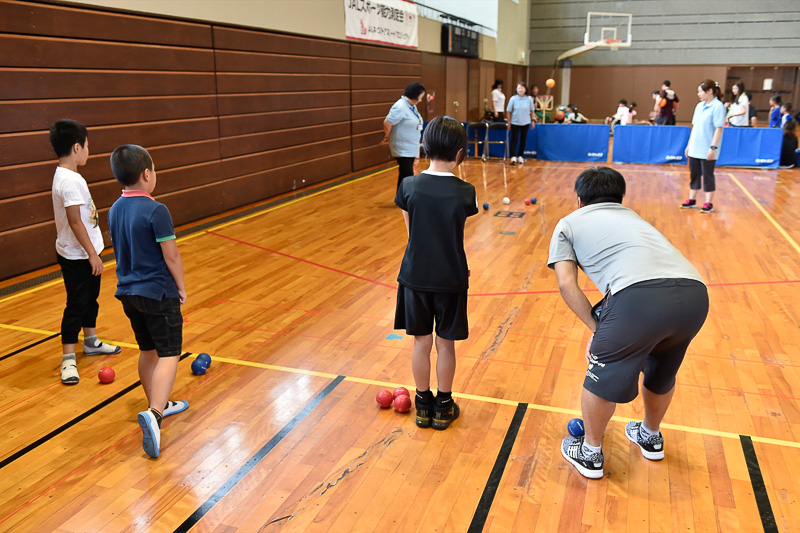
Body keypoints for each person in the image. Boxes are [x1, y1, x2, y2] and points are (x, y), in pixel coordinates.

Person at [549, 167, 708, 479]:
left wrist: (598, 331)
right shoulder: (634, 217)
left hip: (638, 299)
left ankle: (590, 453)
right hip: (695, 295)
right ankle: (650, 435)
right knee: (662, 368)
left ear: (579, 200)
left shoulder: (569, 222)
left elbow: (567, 284)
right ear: (619, 198)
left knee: (602, 375)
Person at [394, 116, 478, 431]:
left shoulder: (408, 185)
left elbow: (411, 233)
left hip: (415, 275)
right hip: (451, 277)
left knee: (420, 343)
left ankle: (422, 404)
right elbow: (454, 234)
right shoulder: (465, 191)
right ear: (460, 152)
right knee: (446, 344)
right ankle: (443, 406)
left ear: (424, 146)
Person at [108, 144, 189, 459]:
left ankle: (157, 403)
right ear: (147, 173)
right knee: (170, 353)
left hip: (128, 294)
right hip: (158, 292)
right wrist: (181, 286)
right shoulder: (158, 210)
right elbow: (171, 255)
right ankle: (155, 414)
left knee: (148, 350)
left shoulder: (115, 209)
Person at [49, 119, 121, 385]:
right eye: (88, 146)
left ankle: (90, 341)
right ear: (77, 147)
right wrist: (92, 253)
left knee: (91, 299)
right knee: (76, 304)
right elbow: (75, 221)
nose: (89, 151)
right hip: (77, 256)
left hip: (86, 253)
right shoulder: (68, 181)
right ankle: (68, 359)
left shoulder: (71, 176)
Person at [681, 79, 725, 214]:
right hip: (695, 147)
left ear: (710, 91)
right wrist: (689, 145)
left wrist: (713, 147)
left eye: (700, 91)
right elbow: (694, 127)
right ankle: (692, 199)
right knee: (694, 174)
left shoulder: (718, 107)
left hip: (707, 149)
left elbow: (719, 128)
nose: (698, 94)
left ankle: (708, 203)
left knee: (707, 175)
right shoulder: (699, 106)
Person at [383, 82, 426, 192]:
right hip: (402, 146)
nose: (421, 99)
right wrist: (389, 137)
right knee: (407, 173)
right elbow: (387, 123)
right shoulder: (400, 106)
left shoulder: (412, 106)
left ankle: (401, 197)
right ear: (415, 95)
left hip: (410, 145)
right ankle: (405, 198)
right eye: (421, 96)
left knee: (405, 173)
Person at [506, 82, 536, 165]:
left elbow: (532, 110)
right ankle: (513, 157)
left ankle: (520, 156)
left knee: (523, 140)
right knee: (514, 139)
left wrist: (532, 120)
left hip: (526, 122)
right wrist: (509, 123)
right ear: (516, 89)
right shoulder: (513, 99)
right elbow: (508, 111)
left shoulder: (529, 99)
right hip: (515, 122)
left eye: (522, 88)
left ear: (525, 89)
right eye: (519, 88)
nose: (520, 90)